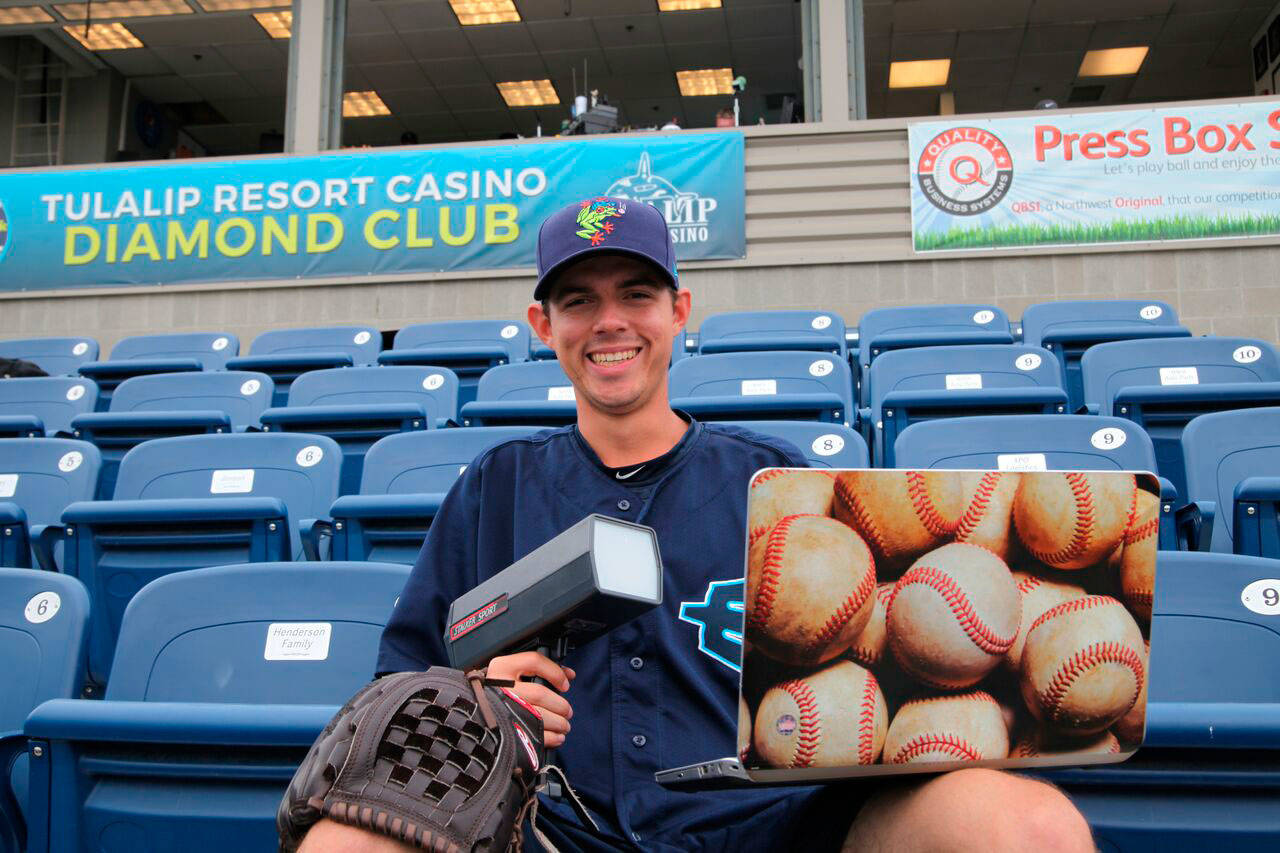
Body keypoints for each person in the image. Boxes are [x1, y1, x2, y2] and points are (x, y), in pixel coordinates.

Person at [300, 197, 1095, 852]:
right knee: (346, 842)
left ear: (679, 310)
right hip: (549, 825)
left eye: (636, 295)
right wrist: (475, 693)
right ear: (544, 325)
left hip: (768, 823)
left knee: (1029, 827)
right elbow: (397, 686)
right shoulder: (496, 486)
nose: (610, 322)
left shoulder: (774, 482)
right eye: (579, 300)